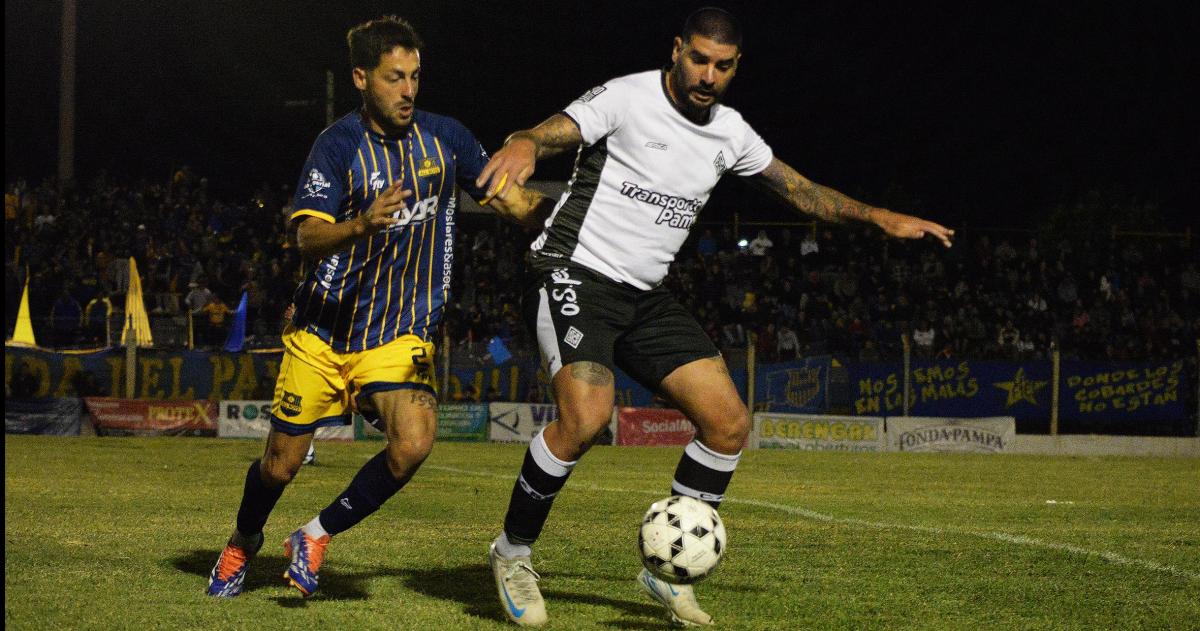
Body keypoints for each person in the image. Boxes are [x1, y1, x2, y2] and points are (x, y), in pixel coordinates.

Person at [475, 7, 953, 627]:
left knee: (727, 424)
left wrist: (877, 216)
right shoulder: (629, 96)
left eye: (721, 66)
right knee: (587, 416)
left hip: (644, 296)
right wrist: (524, 141)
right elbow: (557, 130)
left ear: (735, 68)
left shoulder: (731, 133)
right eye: (697, 59)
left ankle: (668, 568)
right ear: (676, 50)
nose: (707, 74)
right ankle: (512, 554)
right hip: (577, 272)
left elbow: (800, 191)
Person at [206, 15, 547, 600]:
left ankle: (315, 534)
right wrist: (362, 223)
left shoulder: (448, 139)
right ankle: (243, 538)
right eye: (395, 77)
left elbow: (515, 204)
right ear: (362, 78)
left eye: (415, 76)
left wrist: (587, 218)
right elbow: (306, 237)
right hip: (323, 330)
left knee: (414, 442)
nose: (409, 89)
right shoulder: (336, 145)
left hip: (399, 332)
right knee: (280, 467)